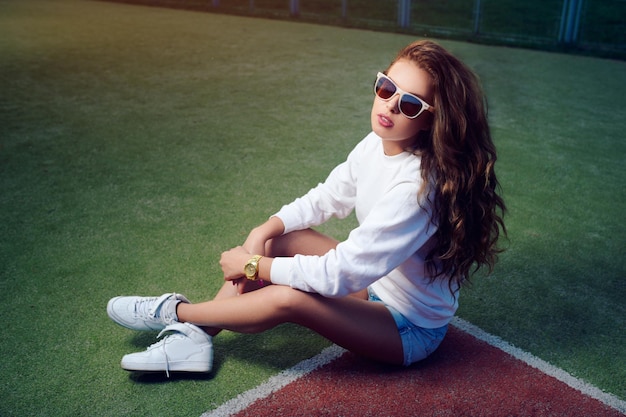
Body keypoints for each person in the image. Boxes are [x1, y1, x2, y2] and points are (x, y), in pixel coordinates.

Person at [107, 40, 506, 376]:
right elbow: (328, 196)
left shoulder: (417, 188)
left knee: (290, 298)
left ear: (430, 120)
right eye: (386, 88)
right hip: (375, 289)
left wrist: (253, 267)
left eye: (410, 104)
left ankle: (178, 314)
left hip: (407, 327)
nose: (389, 106)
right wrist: (268, 228)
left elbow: (341, 274)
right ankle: (194, 343)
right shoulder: (376, 145)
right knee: (287, 237)